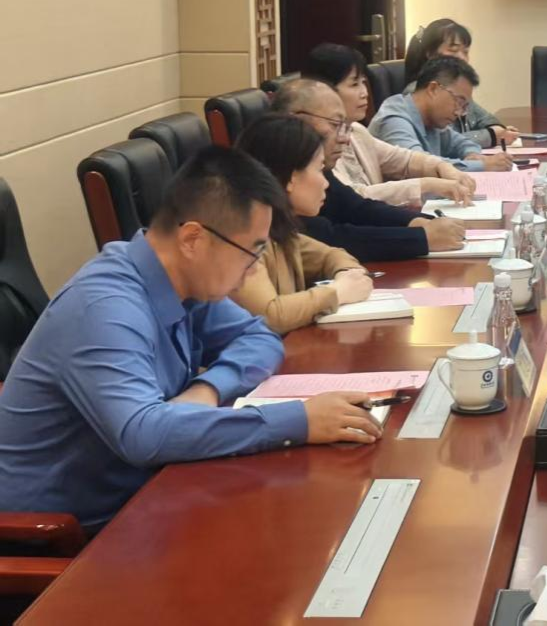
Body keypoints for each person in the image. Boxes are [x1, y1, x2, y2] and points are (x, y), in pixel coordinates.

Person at [0, 146, 383, 532]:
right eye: (251, 252)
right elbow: (143, 435)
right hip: (59, 533)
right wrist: (299, 421)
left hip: (148, 494)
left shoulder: (184, 280)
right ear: (193, 239)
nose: (253, 271)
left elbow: (260, 337)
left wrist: (208, 389)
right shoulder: (104, 307)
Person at [271, 78, 467, 260]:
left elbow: (356, 207)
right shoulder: (271, 175)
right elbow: (326, 237)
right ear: (297, 119)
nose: (345, 139)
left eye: (345, 127)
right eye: (335, 125)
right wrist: (421, 238)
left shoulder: (313, 163)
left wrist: (421, 222)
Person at [232, 114, 374, 333]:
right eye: (319, 169)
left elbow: (331, 256)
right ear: (291, 178)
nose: (326, 183)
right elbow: (269, 316)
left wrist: (348, 276)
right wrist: (337, 292)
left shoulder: (281, 230)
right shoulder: (241, 236)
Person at [302, 42, 477, 209]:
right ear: (323, 90)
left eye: (364, 83)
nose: (364, 93)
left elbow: (403, 159)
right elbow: (354, 198)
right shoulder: (313, 143)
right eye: (354, 84)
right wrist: (427, 185)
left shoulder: (356, 130)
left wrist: (441, 167)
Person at [370, 57, 513, 171]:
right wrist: (482, 166)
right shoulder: (393, 121)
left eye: (464, 106)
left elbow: (463, 143)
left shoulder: (433, 121)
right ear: (433, 89)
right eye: (458, 101)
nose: (459, 112)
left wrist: (472, 155)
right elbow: (421, 167)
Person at [404, 18, 519, 148]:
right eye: (453, 51)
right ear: (430, 54)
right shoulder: (419, 92)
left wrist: (497, 130)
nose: (462, 58)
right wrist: (491, 136)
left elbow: (487, 119)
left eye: (465, 52)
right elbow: (441, 142)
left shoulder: (458, 88)